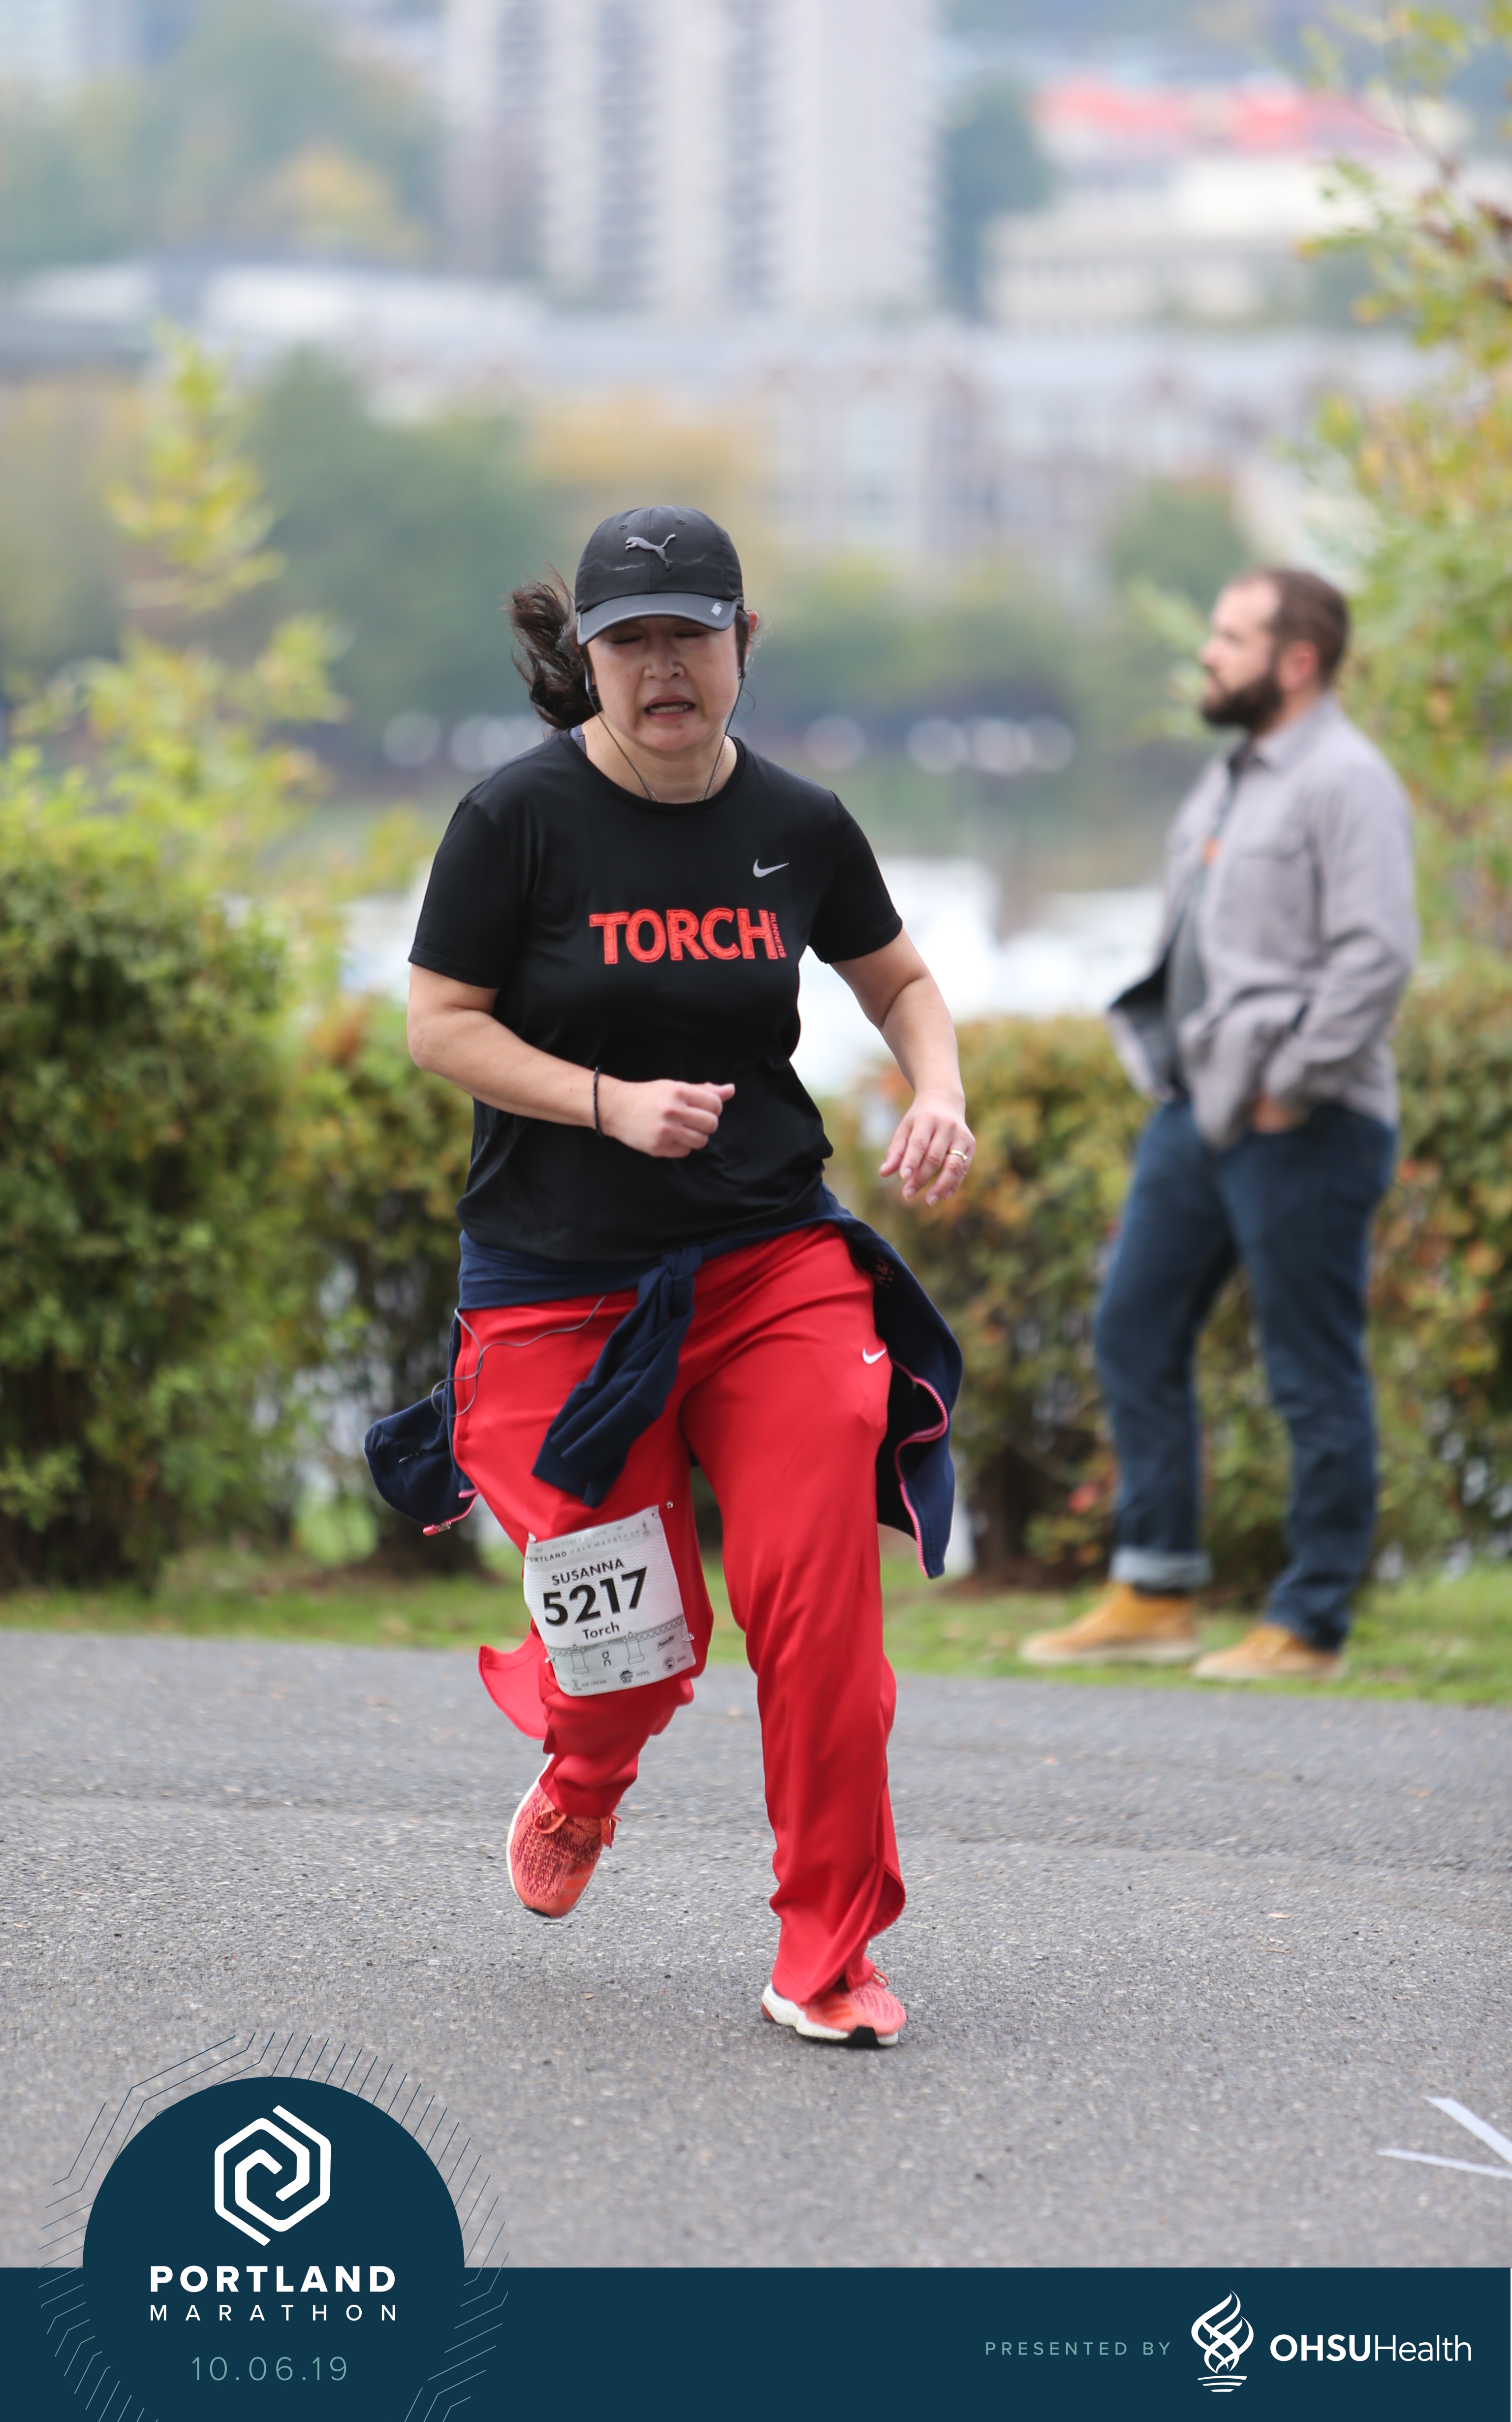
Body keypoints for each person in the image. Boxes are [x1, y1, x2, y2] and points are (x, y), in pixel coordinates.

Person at [399, 504, 973, 2047]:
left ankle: (828, 1956)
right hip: (559, 1286)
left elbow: (902, 981)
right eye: (631, 643)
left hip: (767, 1264)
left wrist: (938, 1089)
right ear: (589, 661)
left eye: (691, 638)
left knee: (822, 1614)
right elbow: (440, 1025)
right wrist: (605, 1103)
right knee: (629, 1650)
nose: (664, 669)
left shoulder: (801, 822)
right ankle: (585, 1772)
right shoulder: (514, 821)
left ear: (743, 644)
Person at [1023, 567, 1417, 1682]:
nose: (1208, 652)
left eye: (1233, 637)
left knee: (1310, 1371)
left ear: (1298, 660)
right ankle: (1156, 1590)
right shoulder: (1232, 778)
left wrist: (1291, 1083)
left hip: (1306, 1121)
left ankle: (1311, 1623)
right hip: (1197, 1109)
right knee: (1132, 1328)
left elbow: (1377, 953)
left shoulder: (1346, 780)